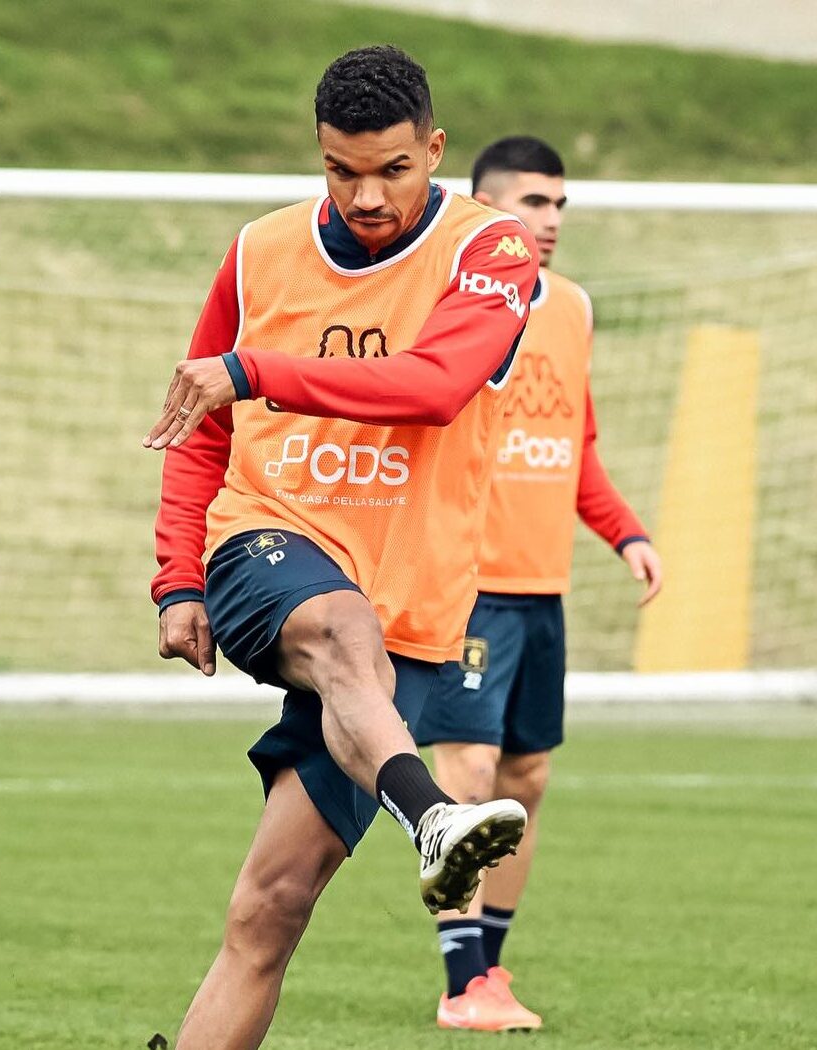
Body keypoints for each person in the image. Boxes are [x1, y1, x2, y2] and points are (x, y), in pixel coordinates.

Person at [144, 48, 540, 1050]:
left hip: (413, 604)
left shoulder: (491, 254)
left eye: (392, 170)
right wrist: (179, 578)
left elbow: (435, 384)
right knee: (337, 624)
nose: (365, 195)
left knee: (269, 908)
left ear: (435, 150)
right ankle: (436, 817)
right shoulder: (259, 251)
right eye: (340, 170)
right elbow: (199, 415)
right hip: (266, 541)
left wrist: (259, 369)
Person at [412, 136, 663, 1032]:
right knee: (469, 774)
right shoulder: (447, 305)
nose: (550, 221)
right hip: (465, 585)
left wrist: (625, 532)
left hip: (541, 589)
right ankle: (458, 983)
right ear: (482, 209)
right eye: (532, 203)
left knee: (527, 779)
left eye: (559, 206)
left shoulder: (573, 309)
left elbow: (576, 445)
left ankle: (493, 971)